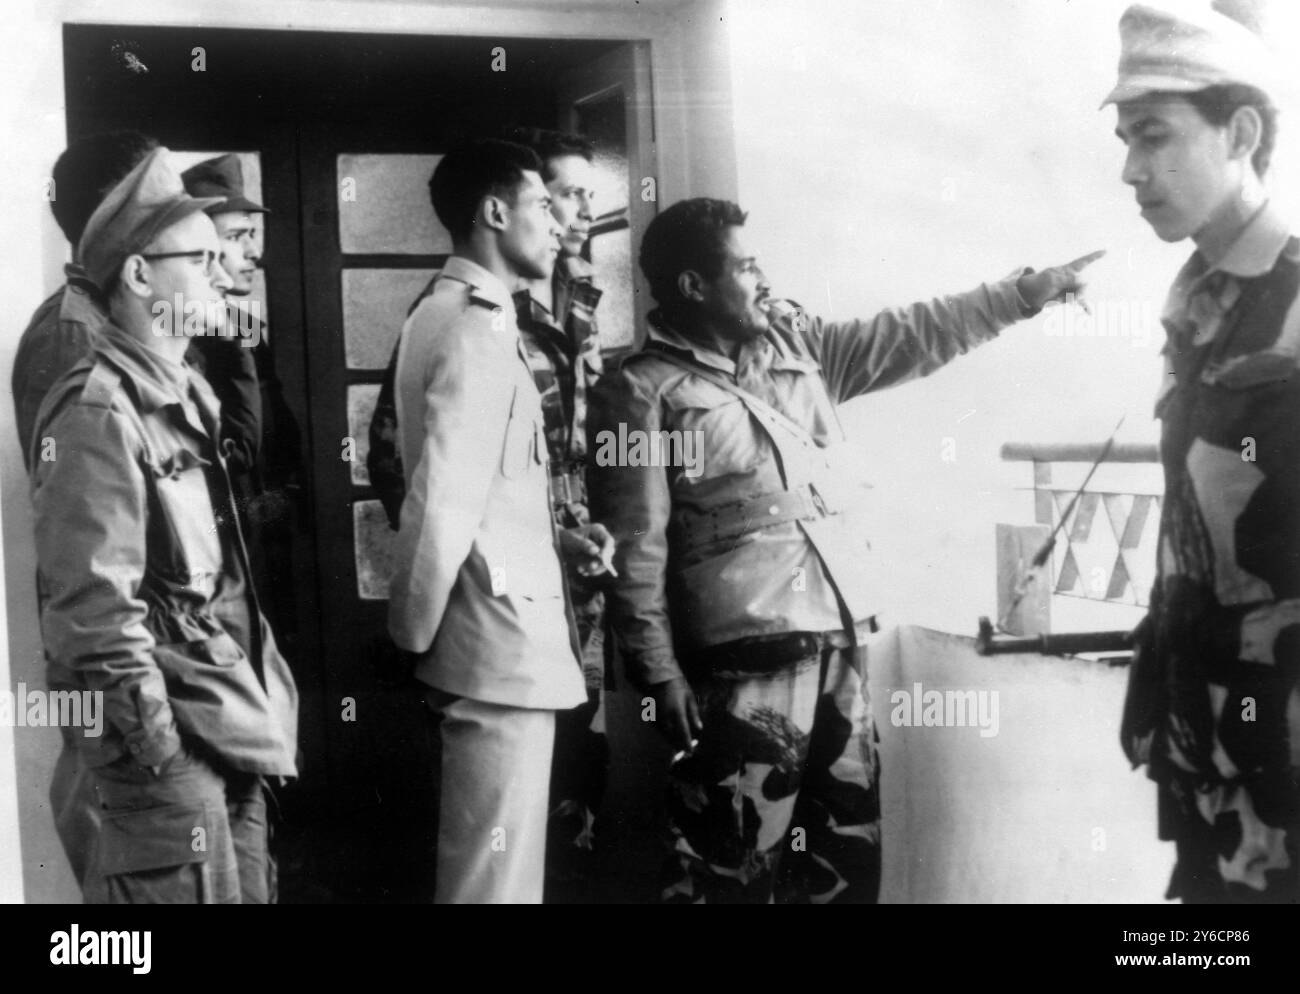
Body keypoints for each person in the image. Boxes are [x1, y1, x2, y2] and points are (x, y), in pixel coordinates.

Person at [587, 197, 1102, 903]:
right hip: (743, 662)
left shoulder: (798, 348)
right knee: (724, 866)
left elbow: (911, 335)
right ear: (693, 287)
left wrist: (1018, 297)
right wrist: (659, 673)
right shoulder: (642, 393)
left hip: (841, 640)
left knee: (841, 861)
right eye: (744, 267)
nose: (762, 278)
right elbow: (635, 549)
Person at [31, 148, 299, 903]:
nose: (225, 271)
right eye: (202, 256)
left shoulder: (188, 393)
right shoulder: (96, 410)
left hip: (230, 730)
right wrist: (158, 752)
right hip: (169, 755)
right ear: (141, 276)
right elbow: (92, 612)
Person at [367, 128, 613, 899]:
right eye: (545, 203)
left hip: (492, 639)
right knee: (493, 886)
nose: (562, 221)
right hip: (496, 648)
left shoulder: (453, 313)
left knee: (494, 876)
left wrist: (560, 541)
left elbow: (484, 492)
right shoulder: (476, 323)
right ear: (495, 213)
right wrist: (412, 635)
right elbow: (440, 504)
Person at [1108, 2, 1299, 903]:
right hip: (1205, 758)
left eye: (1155, 137)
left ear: (1243, 132)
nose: (1132, 169)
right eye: (1126, 140)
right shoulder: (1199, 304)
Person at [12, 129, 158, 890]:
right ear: (116, 214)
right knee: (119, 850)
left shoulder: (101, 318)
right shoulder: (76, 332)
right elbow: (82, 527)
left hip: (122, 645)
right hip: (108, 648)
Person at [181, 154, 306, 646]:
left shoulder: (247, 328)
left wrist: (281, 502)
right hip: (216, 557)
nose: (255, 252)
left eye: (251, 235)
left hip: (263, 541)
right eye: (237, 237)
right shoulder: (180, 338)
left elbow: (277, 437)